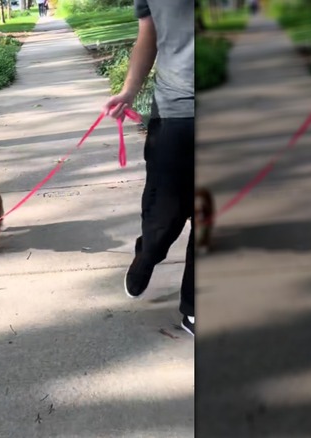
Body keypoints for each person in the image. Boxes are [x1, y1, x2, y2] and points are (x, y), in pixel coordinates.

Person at [104, 0, 195, 336]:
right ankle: (147, 255)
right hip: (178, 109)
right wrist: (129, 89)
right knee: (164, 216)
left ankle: (195, 307)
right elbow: (149, 33)